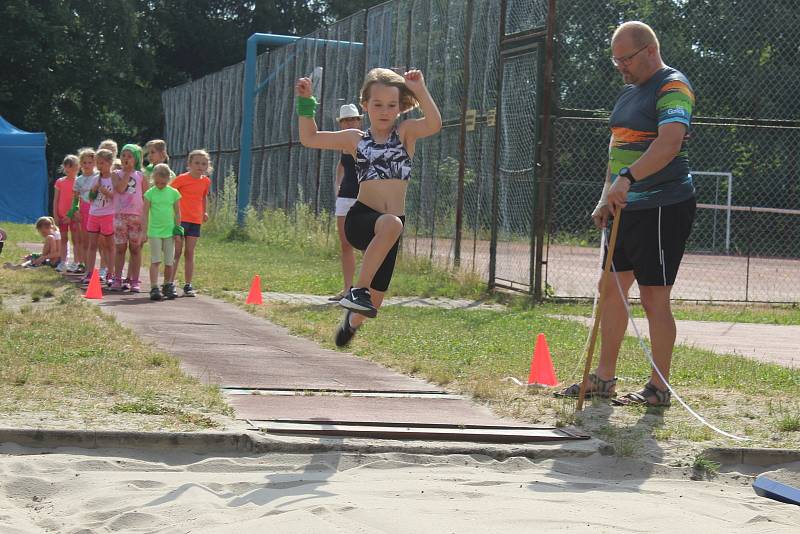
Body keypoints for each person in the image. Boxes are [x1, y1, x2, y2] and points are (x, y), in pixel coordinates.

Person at [558, 21, 696, 407]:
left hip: (662, 206)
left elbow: (669, 144)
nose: (620, 66)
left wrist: (629, 178)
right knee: (612, 290)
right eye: (616, 60)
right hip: (625, 206)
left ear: (650, 50)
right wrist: (607, 194)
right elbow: (616, 149)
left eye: (626, 59)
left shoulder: (673, 87)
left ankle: (658, 387)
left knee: (654, 297)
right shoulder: (627, 93)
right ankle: (603, 379)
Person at [295, 67, 441, 347]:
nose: (384, 111)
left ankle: (350, 322)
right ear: (365, 106)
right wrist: (306, 102)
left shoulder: (406, 134)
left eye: (391, 105)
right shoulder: (355, 139)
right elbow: (309, 138)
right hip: (362, 218)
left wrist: (420, 89)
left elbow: (434, 124)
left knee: (374, 304)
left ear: (400, 108)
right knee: (391, 224)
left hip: (389, 229)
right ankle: (356, 290)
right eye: (377, 105)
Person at [328, 103, 363, 302]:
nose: (350, 122)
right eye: (346, 120)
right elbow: (342, 164)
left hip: (364, 196)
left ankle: (366, 290)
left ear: (359, 120)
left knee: (368, 244)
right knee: (345, 244)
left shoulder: (367, 140)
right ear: (341, 124)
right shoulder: (342, 143)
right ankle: (347, 289)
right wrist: (337, 184)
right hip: (345, 197)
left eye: (353, 119)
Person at [169, 149, 212, 297]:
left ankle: (188, 284)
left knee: (190, 252)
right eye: (197, 163)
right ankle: (170, 283)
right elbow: (170, 194)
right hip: (180, 220)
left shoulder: (206, 181)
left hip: (195, 220)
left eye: (204, 164)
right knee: (177, 252)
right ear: (190, 164)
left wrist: (204, 212)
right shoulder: (182, 179)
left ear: (207, 166)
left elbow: (203, 197)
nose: (200, 166)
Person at [110, 144, 147, 292]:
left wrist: (146, 221)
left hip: (136, 216)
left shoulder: (141, 176)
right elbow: (119, 188)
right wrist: (126, 173)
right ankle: (117, 279)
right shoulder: (116, 174)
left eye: (129, 156)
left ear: (136, 159)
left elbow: (146, 197)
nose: (126, 158)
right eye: (123, 155)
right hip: (120, 216)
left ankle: (134, 280)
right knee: (120, 248)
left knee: (135, 248)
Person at [142, 164, 181, 301]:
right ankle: (154, 287)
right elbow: (145, 213)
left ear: (168, 180)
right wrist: (144, 231)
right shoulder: (149, 193)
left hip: (169, 232)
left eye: (163, 183)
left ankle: (167, 284)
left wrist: (178, 230)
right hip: (154, 232)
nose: (160, 185)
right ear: (153, 179)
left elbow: (177, 213)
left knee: (169, 261)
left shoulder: (173, 193)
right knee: (156, 260)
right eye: (157, 182)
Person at [82, 148, 116, 286]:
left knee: (109, 246)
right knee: (92, 245)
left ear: (110, 163)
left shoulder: (114, 178)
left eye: (102, 163)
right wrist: (94, 190)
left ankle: (110, 273)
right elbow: (90, 198)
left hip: (108, 214)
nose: (99, 166)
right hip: (94, 214)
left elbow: (117, 197)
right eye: (98, 163)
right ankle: (90, 272)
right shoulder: (96, 178)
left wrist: (105, 192)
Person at [52, 155, 80, 272]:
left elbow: (79, 200)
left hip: (74, 216)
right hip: (61, 216)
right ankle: (63, 262)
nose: (68, 169)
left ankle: (76, 262)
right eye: (66, 167)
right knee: (63, 239)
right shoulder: (60, 182)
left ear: (77, 167)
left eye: (71, 167)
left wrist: (75, 214)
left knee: (76, 239)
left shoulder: (79, 181)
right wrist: (55, 215)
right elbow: (56, 199)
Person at [71, 147, 97, 274]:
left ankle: (104, 269)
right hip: (84, 210)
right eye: (84, 162)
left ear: (95, 163)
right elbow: (75, 199)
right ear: (80, 164)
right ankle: (87, 267)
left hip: (97, 210)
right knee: (85, 240)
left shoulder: (98, 177)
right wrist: (75, 210)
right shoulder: (78, 180)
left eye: (90, 162)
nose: (87, 165)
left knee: (99, 242)